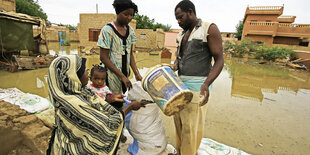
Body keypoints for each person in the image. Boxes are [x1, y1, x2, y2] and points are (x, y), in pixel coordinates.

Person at [46, 55, 145, 155]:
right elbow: (107, 126)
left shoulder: (77, 92)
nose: (87, 73)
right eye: (84, 70)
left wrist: (111, 99)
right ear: (73, 76)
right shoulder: (75, 104)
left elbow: (97, 102)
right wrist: (131, 106)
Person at [173, 0, 224, 154]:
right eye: (176, 18)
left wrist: (207, 84)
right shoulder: (181, 34)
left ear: (190, 12)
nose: (178, 21)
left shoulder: (209, 28)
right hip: (180, 87)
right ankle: (180, 151)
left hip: (198, 87)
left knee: (191, 127)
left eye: (180, 17)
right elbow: (180, 58)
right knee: (179, 123)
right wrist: (173, 66)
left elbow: (220, 60)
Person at [98, 0, 142, 96]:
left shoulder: (130, 31)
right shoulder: (108, 30)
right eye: (126, 14)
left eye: (131, 15)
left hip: (125, 74)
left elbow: (130, 55)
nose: (129, 18)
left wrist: (136, 73)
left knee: (123, 98)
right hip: (110, 76)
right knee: (112, 100)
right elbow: (103, 57)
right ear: (118, 12)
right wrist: (122, 76)